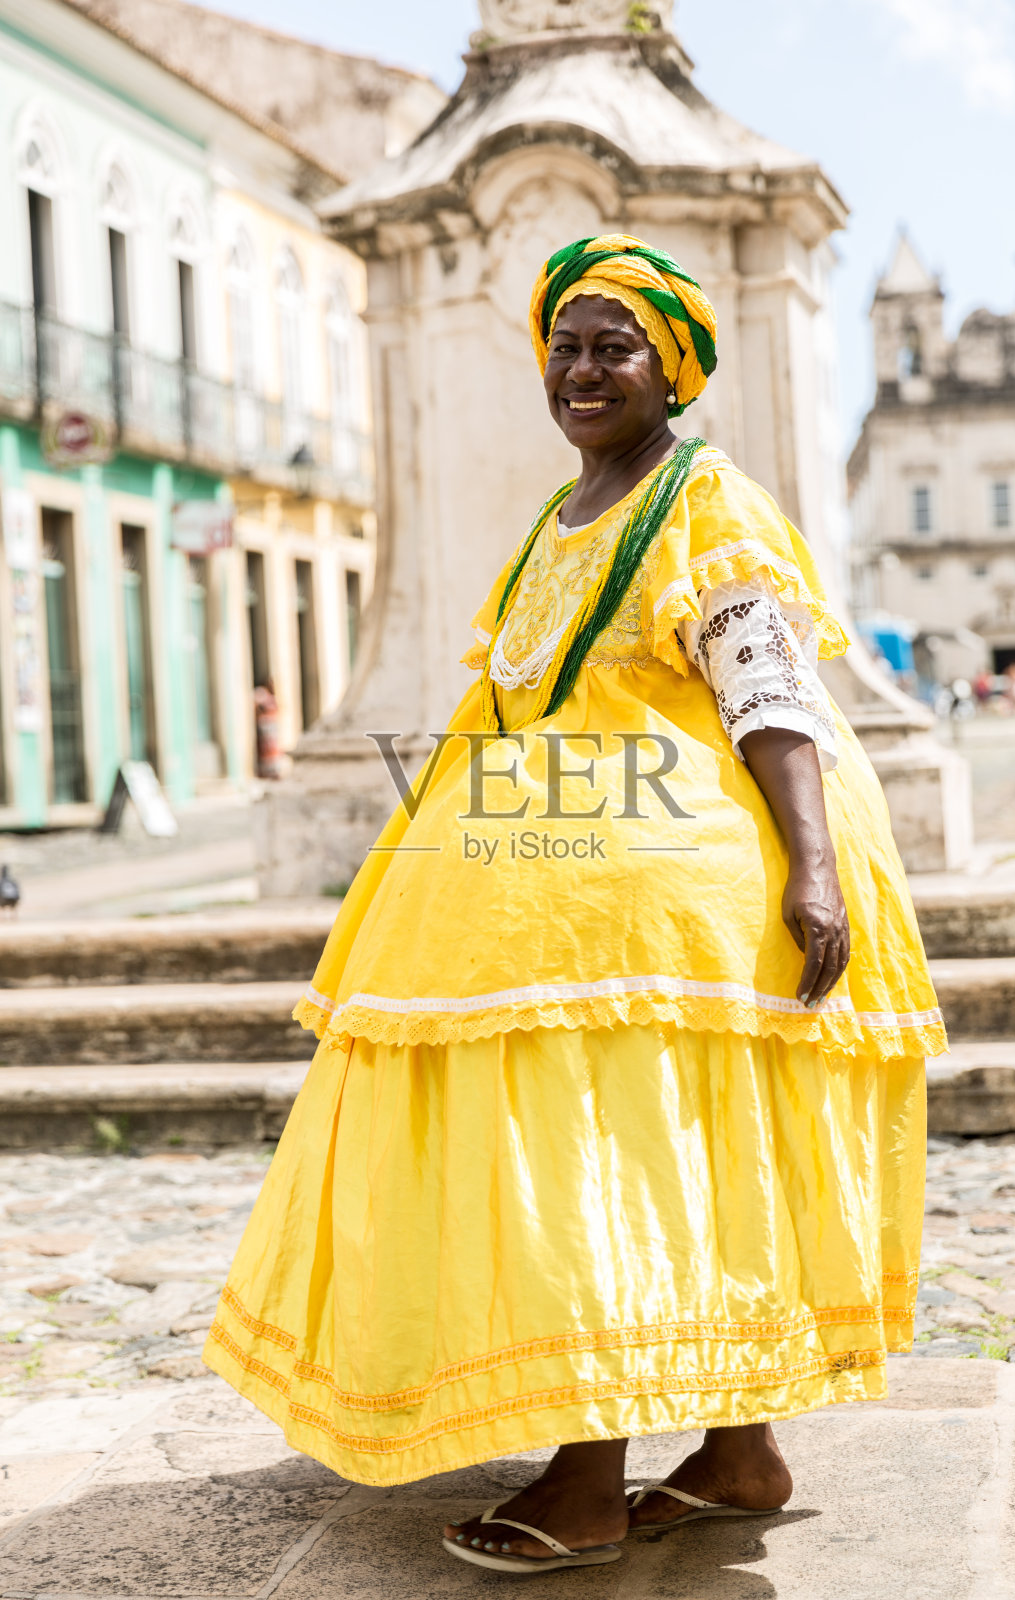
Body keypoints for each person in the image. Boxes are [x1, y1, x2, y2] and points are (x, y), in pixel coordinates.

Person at [204, 235, 945, 1577]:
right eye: (566, 344)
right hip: (549, 889)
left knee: (604, 1154)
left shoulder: (701, 503)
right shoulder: (562, 518)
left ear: (675, 368)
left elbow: (765, 688)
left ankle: (590, 1482)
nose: (583, 369)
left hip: (678, 893)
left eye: (616, 346)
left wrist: (814, 864)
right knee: (659, 1152)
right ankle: (736, 1452)